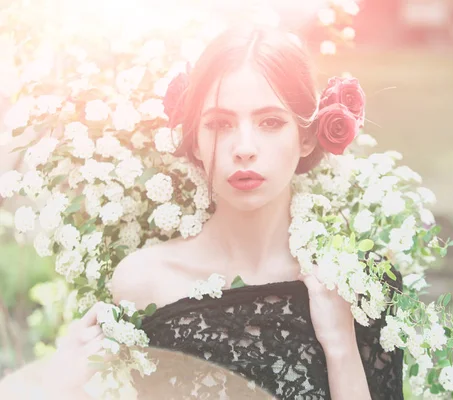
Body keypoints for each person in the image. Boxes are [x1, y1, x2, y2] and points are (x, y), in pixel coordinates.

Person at [1, 25, 404, 400]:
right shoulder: (144, 283)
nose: (244, 147)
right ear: (194, 142)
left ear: (305, 137)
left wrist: (340, 347)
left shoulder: (357, 284)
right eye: (220, 124)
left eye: (269, 121)